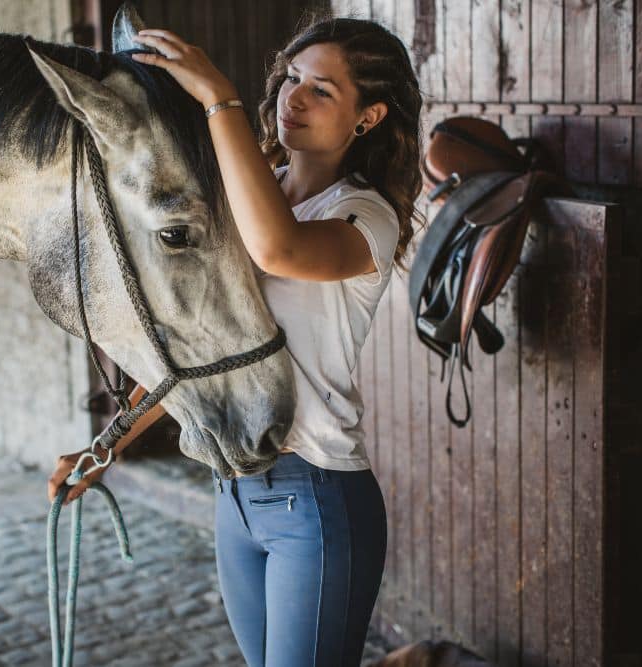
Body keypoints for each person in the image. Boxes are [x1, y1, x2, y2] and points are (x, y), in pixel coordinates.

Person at [47, 15, 424, 667]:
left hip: (316, 496)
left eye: (323, 90)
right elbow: (200, 351)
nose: (294, 98)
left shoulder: (365, 216)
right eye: (293, 78)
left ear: (369, 117)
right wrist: (105, 445)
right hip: (235, 492)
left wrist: (219, 99)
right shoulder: (253, 198)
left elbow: (277, 247)